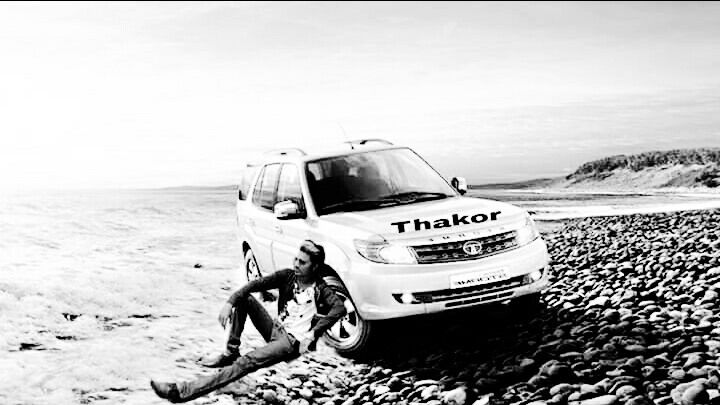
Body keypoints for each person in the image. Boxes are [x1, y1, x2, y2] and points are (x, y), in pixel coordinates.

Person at [150, 240, 347, 403]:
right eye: (296, 259)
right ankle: (231, 352)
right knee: (245, 299)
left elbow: (339, 308)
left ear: (314, 267)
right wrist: (230, 302)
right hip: (275, 330)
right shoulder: (287, 276)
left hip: (291, 343)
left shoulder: (320, 288)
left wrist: (313, 334)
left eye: (302, 262)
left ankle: (182, 391)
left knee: (247, 362)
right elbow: (254, 284)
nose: (296, 264)